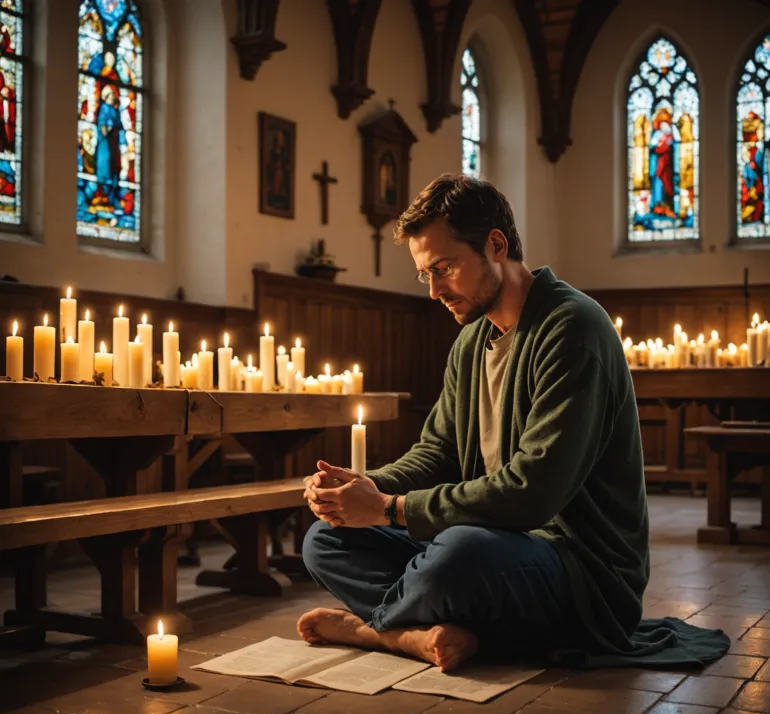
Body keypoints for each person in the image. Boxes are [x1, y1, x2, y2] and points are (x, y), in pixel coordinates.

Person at [299, 173, 729, 672]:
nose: (435, 290)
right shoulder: (470, 341)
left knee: (459, 554)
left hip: (581, 571)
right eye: (425, 274)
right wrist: (363, 489)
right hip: (497, 546)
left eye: (445, 267)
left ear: (496, 245)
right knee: (326, 539)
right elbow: (436, 453)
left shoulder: (572, 328)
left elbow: (532, 493)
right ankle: (428, 632)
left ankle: (382, 633)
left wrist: (389, 509)